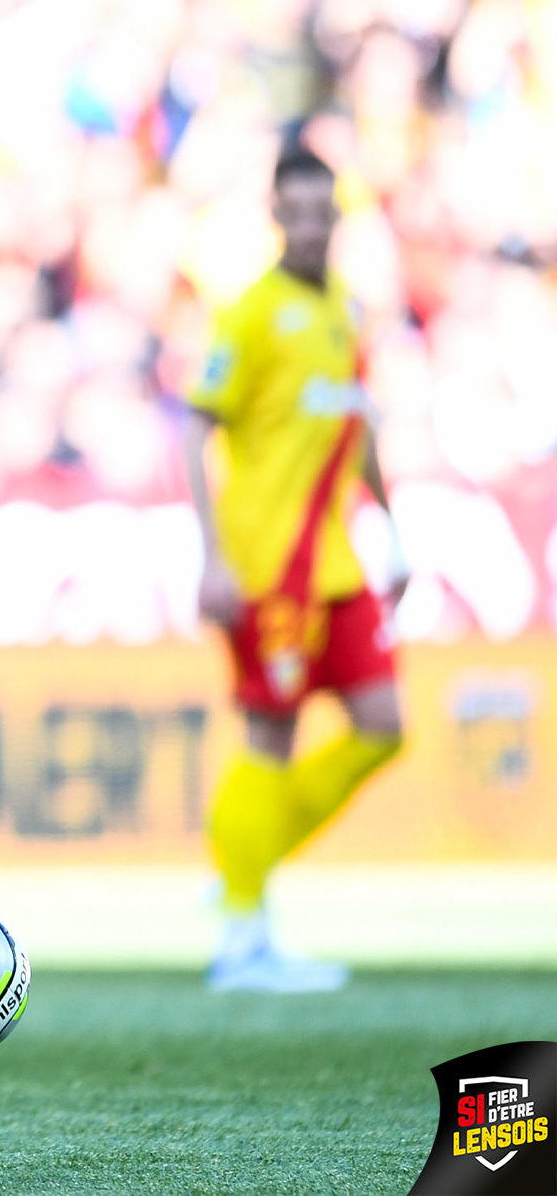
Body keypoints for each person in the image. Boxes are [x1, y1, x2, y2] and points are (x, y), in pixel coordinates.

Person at [184, 146, 408, 994]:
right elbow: (192, 428)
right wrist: (212, 555)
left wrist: (392, 521)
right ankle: (243, 942)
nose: (312, 228)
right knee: (270, 736)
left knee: (384, 724)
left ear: (339, 220)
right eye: (298, 213)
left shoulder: (347, 311)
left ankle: (249, 851)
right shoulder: (249, 314)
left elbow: (360, 428)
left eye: (325, 214)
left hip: (340, 564)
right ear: (276, 217)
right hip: (269, 565)